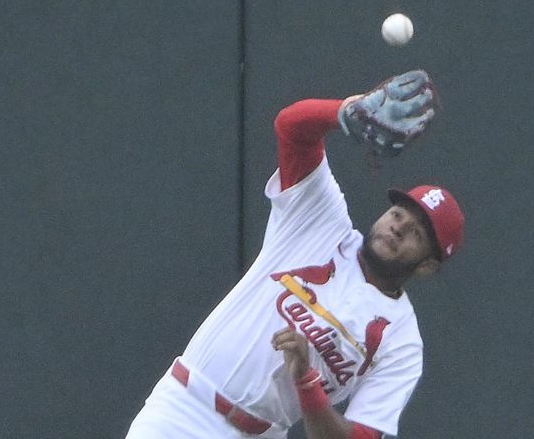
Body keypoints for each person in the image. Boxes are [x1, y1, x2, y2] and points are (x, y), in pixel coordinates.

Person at [125, 69, 465, 439]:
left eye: (416, 232)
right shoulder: (320, 221)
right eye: (399, 213)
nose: (398, 226)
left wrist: (307, 380)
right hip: (184, 409)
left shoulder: (401, 341)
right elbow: (291, 128)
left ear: (428, 265)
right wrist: (346, 111)